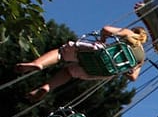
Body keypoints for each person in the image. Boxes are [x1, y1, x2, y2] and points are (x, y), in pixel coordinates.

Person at [16, 26, 148, 101]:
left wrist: (103, 39)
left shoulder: (129, 34)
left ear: (135, 32)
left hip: (99, 54)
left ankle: (38, 63)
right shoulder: (142, 57)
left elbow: (106, 29)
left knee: (62, 53)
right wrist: (120, 66)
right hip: (103, 71)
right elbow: (133, 77)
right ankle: (47, 87)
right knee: (69, 72)